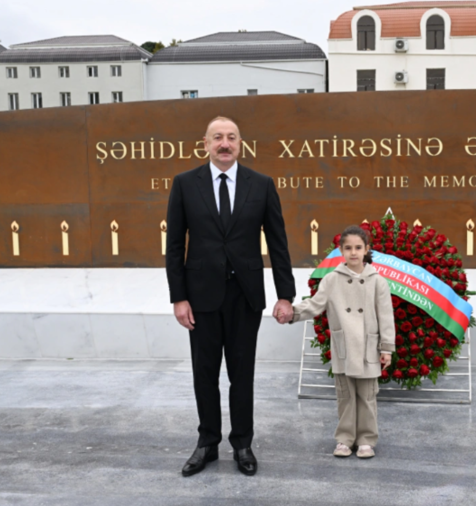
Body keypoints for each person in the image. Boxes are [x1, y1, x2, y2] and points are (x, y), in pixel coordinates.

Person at [165, 116, 296, 477]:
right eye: (218, 137)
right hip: (200, 297)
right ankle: (207, 443)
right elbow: (175, 246)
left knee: (242, 374)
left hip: (245, 296)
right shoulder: (185, 184)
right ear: (205, 143)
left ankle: (242, 444)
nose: (225, 144)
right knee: (204, 374)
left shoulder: (263, 185)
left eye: (232, 138)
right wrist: (178, 297)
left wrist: (285, 295)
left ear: (241, 143)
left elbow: (278, 243)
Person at [284, 225, 395, 459]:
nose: (353, 252)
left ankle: (366, 440)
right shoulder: (332, 280)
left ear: (367, 250)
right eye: (348, 248)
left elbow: (386, 317)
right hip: (344, 346)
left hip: (368, 347)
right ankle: (344, 439)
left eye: (358, 247)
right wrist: (291, 313)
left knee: (367, 397)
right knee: (345, 396)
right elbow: (315, 304)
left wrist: (386, 348)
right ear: (341, 251)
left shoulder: (378, 281)